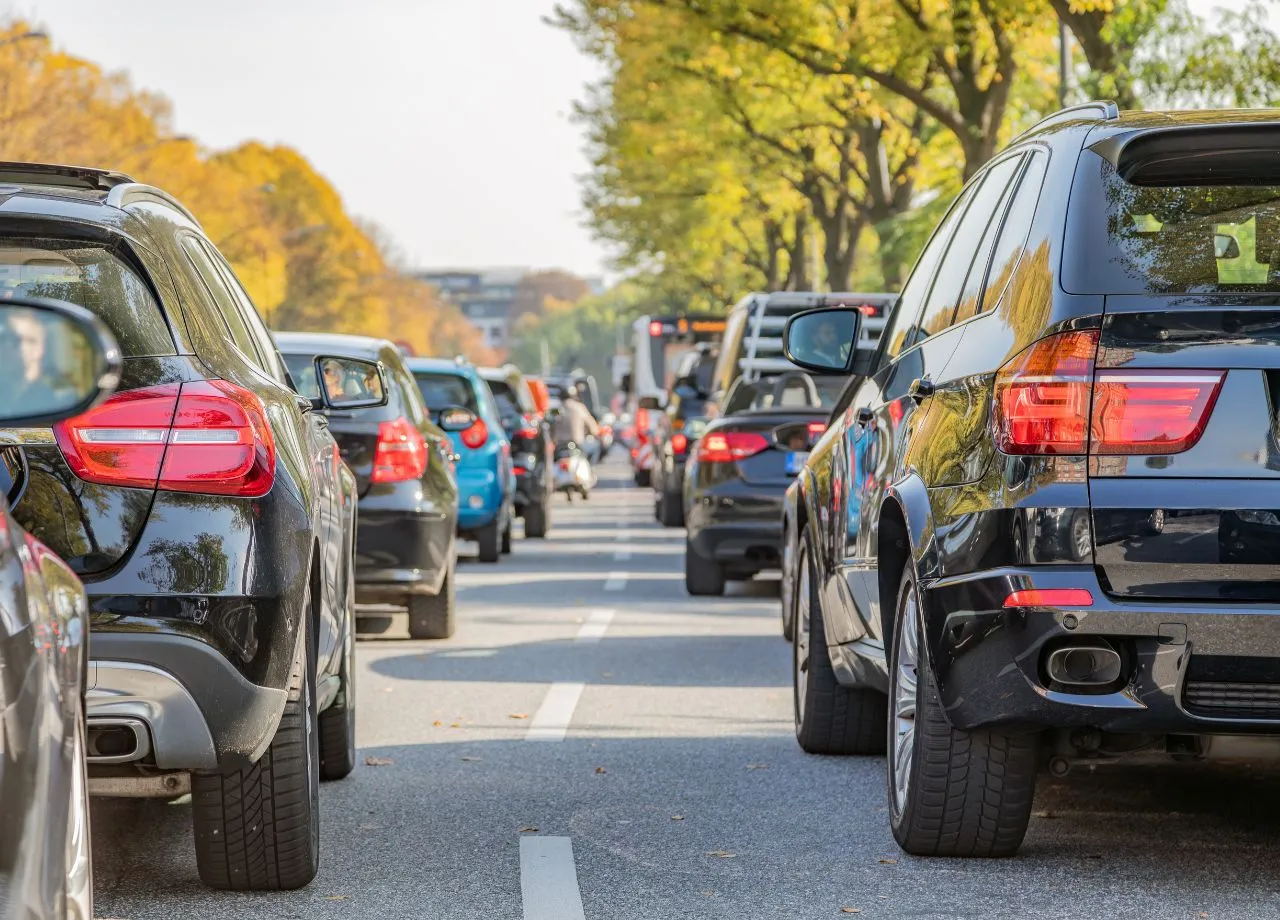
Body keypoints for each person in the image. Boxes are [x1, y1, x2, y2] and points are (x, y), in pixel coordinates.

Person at [553, 382, 600, 447]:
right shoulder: (579, 407)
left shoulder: (556, 409)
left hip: (559, 444)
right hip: (577, 443)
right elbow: (593, 428)